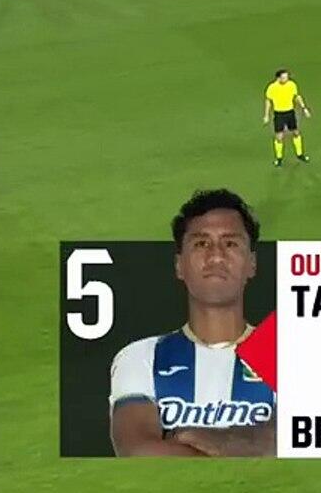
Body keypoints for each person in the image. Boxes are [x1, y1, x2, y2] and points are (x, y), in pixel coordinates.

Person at [109, 189, 275, 456]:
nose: (216, 256)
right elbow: (139, 452)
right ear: (179, 265)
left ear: (252, 264)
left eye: (231, 244)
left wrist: (221, 441)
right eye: (201, 244)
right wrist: (252, 443)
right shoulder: (141, 356)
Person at [262, 69, 310, 167]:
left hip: (290, 113)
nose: (286, 79)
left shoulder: (291, 85)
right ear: (278, 78)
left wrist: (304, 108)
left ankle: (300, 154)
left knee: (296, 133)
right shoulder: (272, 88)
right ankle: (279, 158)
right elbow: (268, 101)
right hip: (279, 114)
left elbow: (297, 97)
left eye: (287, 77)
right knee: (279, 137)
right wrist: (266, 115)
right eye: (284, 77)